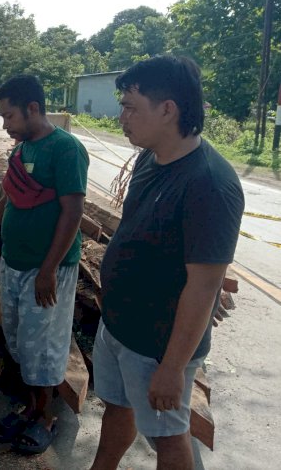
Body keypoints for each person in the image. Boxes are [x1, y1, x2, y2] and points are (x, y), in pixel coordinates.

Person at [88, 56, 244, 470]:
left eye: (131, 107)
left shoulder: (210, 184)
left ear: (168, 109)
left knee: (169, 438)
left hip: (157, 346)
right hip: (119, 325)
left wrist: (173, 368)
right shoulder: (149, 158)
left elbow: (204, 287)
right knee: (117, 409)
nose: (121, 116)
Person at [0, 75, 89, 455]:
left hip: (49, 270)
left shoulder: (65, 150)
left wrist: (48, 270)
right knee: (20, 340)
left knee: (44, 346)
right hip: (15, 264)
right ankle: (30, 406)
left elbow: (74, 211)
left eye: (9, 116)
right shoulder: (19, 151)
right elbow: (7, 201)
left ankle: (45, 417)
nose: (5, 124)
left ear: (32, 109)